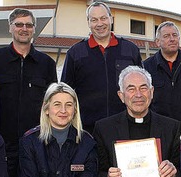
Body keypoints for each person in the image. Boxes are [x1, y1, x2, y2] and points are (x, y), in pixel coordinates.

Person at [0, 8, 58, 177]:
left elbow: (52, 105)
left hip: (37, 145)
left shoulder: (46, 64)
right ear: (10, 27)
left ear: (34, 29)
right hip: (3, 145)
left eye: (28, 25)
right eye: (19, 24)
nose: (24, 29)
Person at [61, 1, 142, 133]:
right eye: (94, 20)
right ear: (88, 23)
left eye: (103, 18)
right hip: (88, 130)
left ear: (111, 18)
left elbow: (142, 87)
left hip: (126, 127)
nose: (99, 24)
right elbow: (65, 92)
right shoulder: (75, 53)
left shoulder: (130, 50)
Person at [142, 21, 181, 122]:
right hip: (159, 127)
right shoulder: (146, 67)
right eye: (167, 36)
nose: (172, 39)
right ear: (158, 42)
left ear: (179, 38)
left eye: (174, 35)